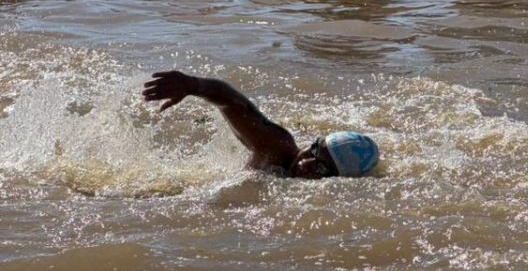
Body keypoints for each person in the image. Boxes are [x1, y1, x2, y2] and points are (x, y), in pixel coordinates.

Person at [142, 71, 380, 179]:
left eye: (321, 167)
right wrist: (193, 85)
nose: (305, 162)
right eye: (314, 150)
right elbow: (235, 103)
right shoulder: (278, 149)